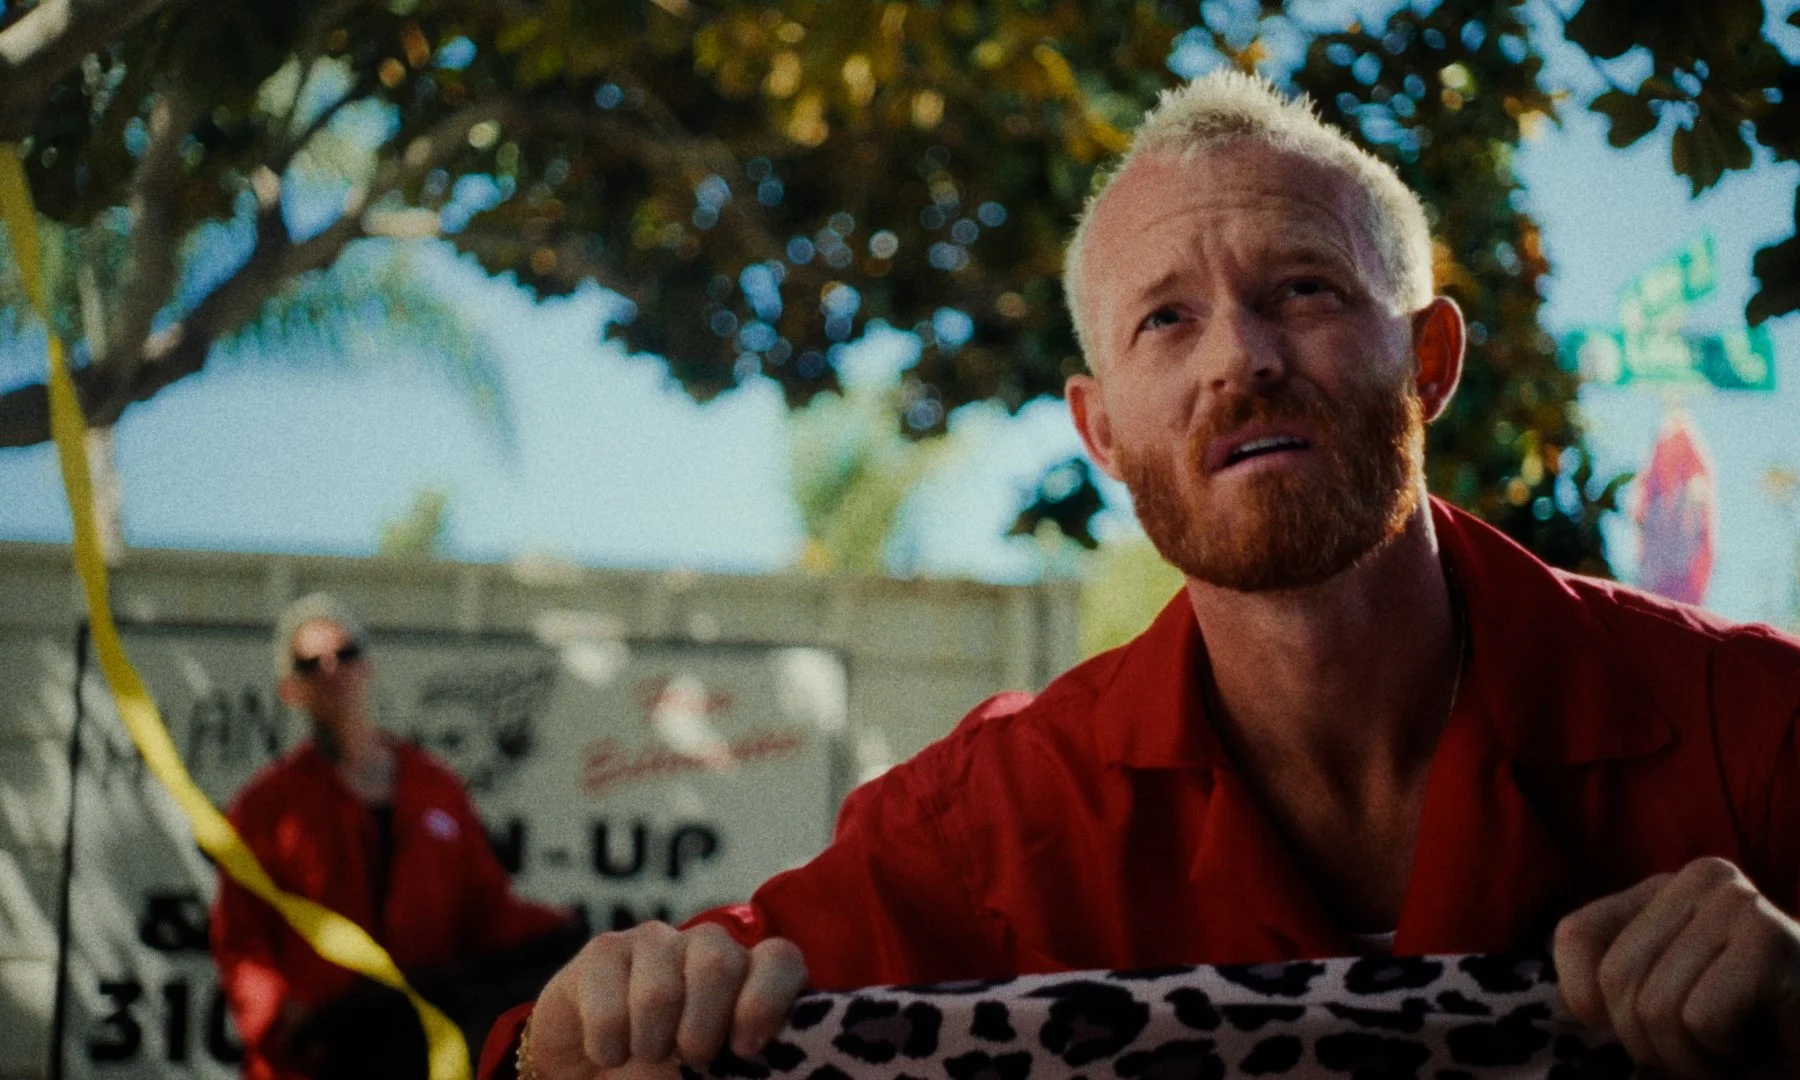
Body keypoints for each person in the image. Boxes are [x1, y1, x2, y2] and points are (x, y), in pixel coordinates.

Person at [483, 71, 1800, 1080]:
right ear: (1102, 430)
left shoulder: (1754, 727)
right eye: (1167, 319)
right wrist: (581, 1030)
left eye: (1304, 289)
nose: (1241, 358)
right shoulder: (987, 827)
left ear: (1430, 360)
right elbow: (585, 1043)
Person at [210, 593, 573, 1080]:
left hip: (421, 1050)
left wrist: (562, 933)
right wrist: (278, 1018)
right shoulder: (266, 805)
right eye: (310, 663)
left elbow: (485, 907)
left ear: (368, 666)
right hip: (313, 1059)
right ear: (290, 688)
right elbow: (240, 936)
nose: (333, 670)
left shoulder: (434, 785)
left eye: (346, 653)